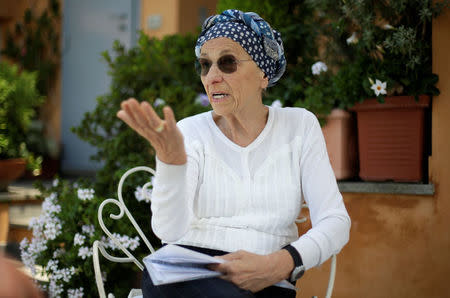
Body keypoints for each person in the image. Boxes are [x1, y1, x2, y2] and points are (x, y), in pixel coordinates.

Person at [117, 9, 350, 298]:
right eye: (205, 65)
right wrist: (171, 164)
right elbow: (169, 232)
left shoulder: (299, 126)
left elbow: (336, 221)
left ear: (263, 73)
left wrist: (280, 264)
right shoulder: (189, 131)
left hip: (267, 279)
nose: (212, 77)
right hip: (186, 275)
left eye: (227, 63)